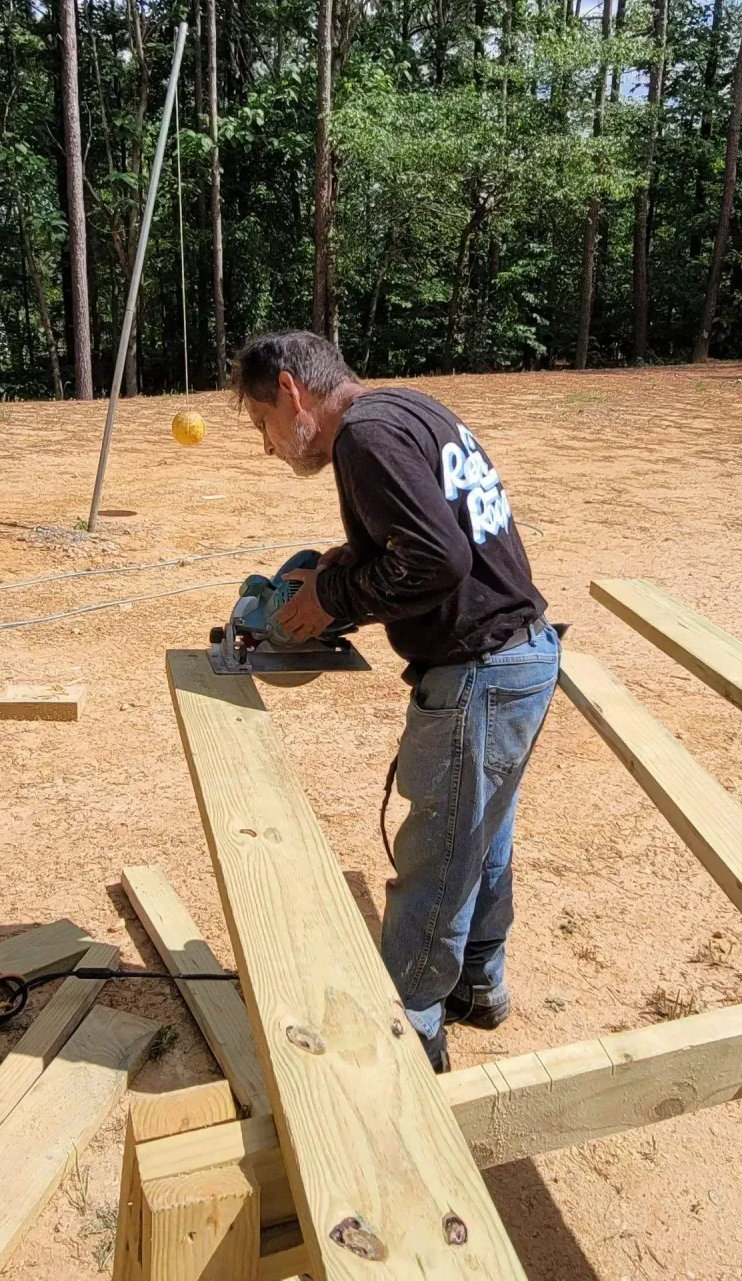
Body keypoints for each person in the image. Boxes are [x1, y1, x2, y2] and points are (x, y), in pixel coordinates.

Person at [231, 329, 558, 1072]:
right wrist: (352, 561)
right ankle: (477, 982)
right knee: (481, 839)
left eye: (262, 426)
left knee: (439, 854)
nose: (268, 447)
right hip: (520, 655)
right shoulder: (406, 409)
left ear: (291, 393)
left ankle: (409, 1034)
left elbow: (436, 560)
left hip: (480, 669)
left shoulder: (365, 441)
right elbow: (440, 535)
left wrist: (334, 597)